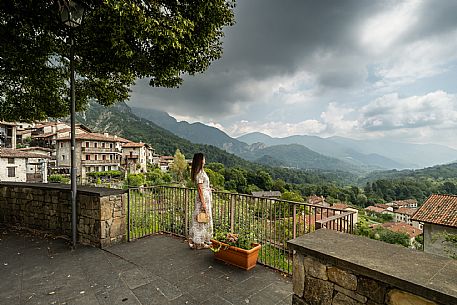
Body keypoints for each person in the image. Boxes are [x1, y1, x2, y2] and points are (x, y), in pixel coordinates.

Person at [188, 153, 213, 249]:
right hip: (202, 200)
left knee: (202, 220)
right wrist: (204, 204)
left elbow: (204, 187)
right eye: (204, 158)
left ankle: (200, 242)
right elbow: (200, 190)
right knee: (200, 219)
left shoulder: (202, 172)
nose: (205, 159)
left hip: (206, 198)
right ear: (201, 160)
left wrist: (209, 189)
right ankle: (197, 243)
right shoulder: (199, 173)